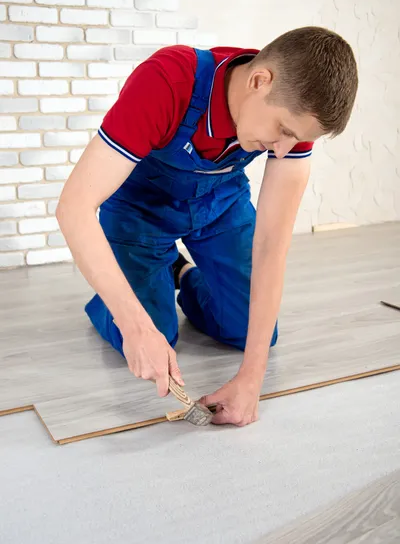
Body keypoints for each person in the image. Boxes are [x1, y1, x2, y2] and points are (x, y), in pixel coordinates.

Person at [57, 26, 358, 427]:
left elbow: (271, 245)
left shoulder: (295, 116)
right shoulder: (166, 82)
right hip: (140, 207)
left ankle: (181, 272)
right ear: (258, 80)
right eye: (283, 131)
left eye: (299, 139)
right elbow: (73, 208)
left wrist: (252, 381)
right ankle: (124, 290)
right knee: (156, 334)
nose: (285, 149)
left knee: (252, 334)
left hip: (219, 203)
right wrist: (136, 327)